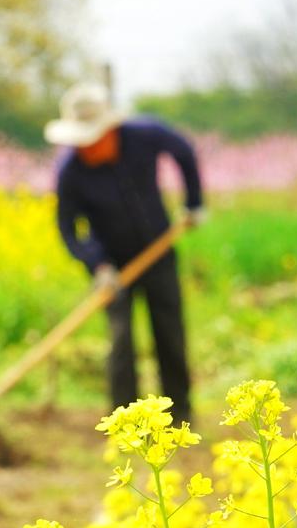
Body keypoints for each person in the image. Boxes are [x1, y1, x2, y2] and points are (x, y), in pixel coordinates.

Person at [47, 81, 205, 426]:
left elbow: (184, 151)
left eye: (93, 138)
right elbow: (68, 229)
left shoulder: (143, 136)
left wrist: (194, 202)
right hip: (112, 266)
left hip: (158, 249)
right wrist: (98, 265)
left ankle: (179, 414)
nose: (88, 147)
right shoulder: (70, 172)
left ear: (110, 129)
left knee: (170, 332)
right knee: (120, 340)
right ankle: (127, 420)